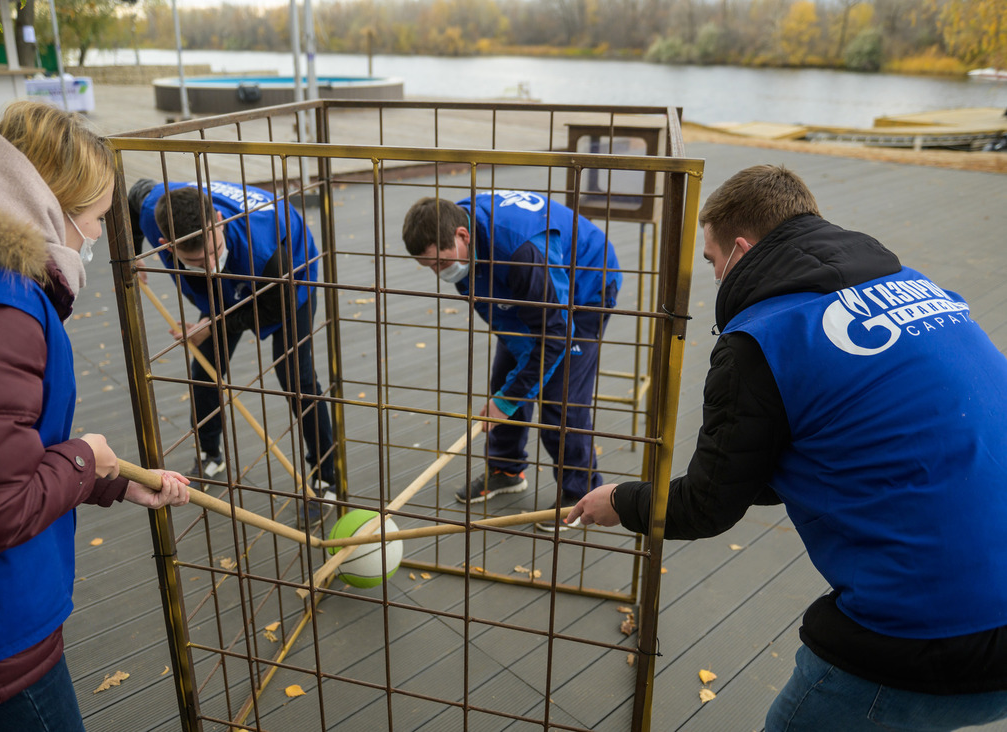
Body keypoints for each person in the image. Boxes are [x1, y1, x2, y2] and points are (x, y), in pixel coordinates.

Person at [566, 165, 1007, 730]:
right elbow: (844, 440)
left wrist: (620, 501)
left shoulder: (762, 338)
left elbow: (707, 506)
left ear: (741, 250)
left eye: (712, 260)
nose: (715, 273)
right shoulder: (922, 286)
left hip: (931, 636)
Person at [0, 101, 191, 730]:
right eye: (93, 220)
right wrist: (85, 458)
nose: (93, 237)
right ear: (48, 206)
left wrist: (107, 477)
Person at [402, 191, 622, 532]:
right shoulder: (458, 234)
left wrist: (508, 399)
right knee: (507, 377)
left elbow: (555, 333)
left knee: (561, 401)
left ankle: (580, 493)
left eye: (441, 264)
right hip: (528, 289)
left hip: (584, 287)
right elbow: (497, 313)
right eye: (429, 267)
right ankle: (506, 469)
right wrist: (510, 391)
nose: (438, 273)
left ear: (463, 236)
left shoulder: (521, 251)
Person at [129, 179, 337, 518]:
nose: (210, 264)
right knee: (204, 368)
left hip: (287, 275)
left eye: (213, 250)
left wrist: (213, 324)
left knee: (296, 377)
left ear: (220, 221)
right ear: (166, 244)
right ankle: (210, 453)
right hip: (237, 276)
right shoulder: (153, 209)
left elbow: (273, 308)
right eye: (197, 260)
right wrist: (132, 251)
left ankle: (327, 478)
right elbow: (130, 200)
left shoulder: (267, 251)